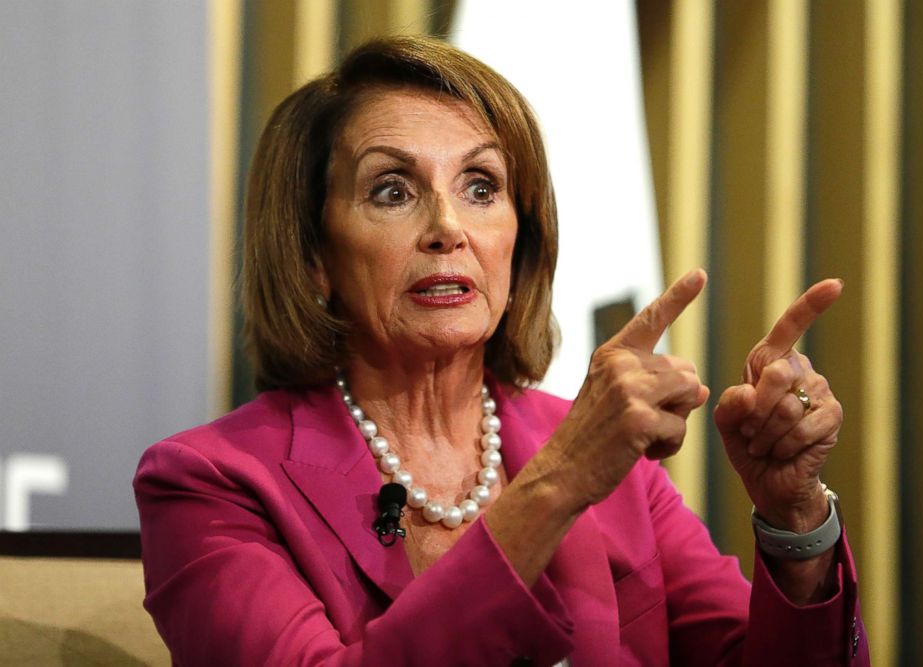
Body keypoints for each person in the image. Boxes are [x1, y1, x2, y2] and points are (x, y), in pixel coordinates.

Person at [134, 35, 869, 666]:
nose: (448, 226)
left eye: (481, 186)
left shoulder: (617, 471)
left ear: (518, 250)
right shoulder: (210, 483)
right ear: (314, 256)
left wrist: (792, 514)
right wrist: (554, 486)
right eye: (392, 190)